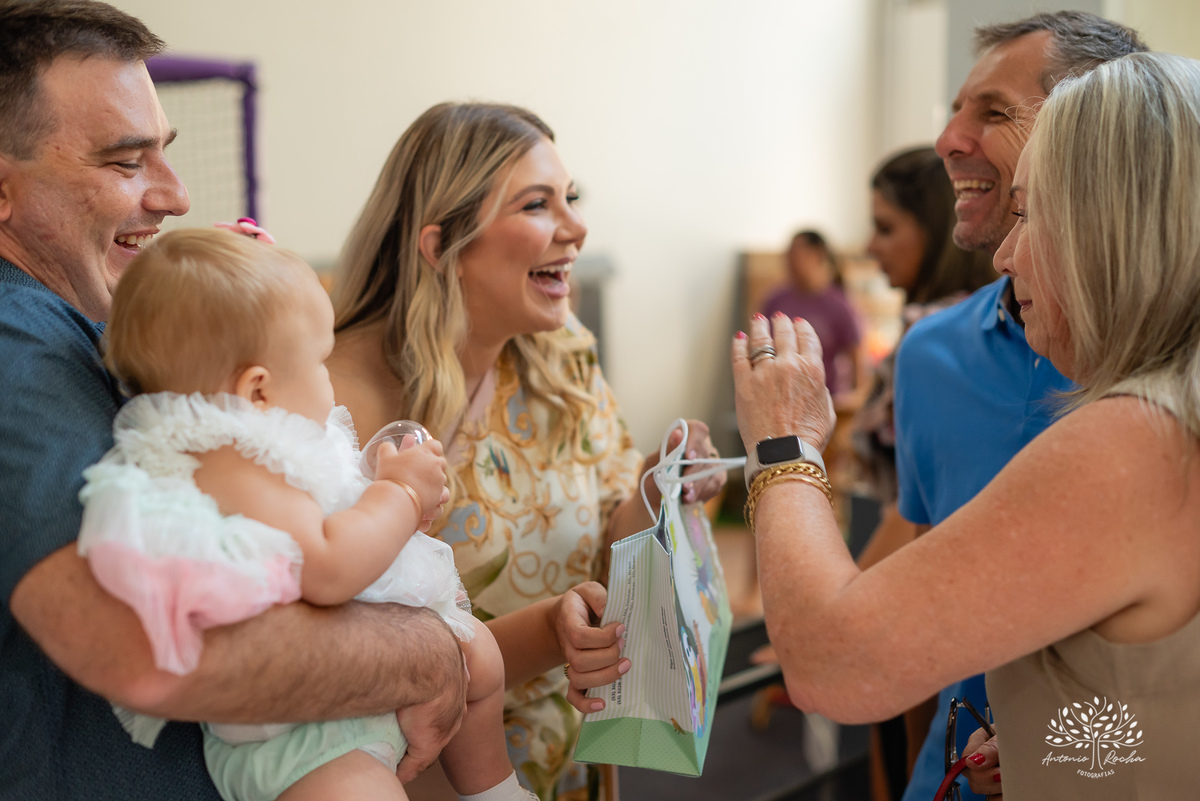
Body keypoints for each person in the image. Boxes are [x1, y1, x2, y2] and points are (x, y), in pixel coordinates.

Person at [0, 2, 465, 796]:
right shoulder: (17, 339)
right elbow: (146, 656)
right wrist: (431, 653)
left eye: (165, 155)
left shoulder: (86, 326)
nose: (176, 195)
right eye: (124, 162)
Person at [734, 50, 1200, 798]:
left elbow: (833, 663)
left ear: (1116, 230)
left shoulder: (1139, 442)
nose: (1009, 254)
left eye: (1032, 214)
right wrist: (1048, 743)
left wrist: (782, 443)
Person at [327, 102, 725, 801]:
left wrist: (659, 490)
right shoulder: (341, 395)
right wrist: (550, 634)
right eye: (538, 204)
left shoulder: (561, 353)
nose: (575, 227)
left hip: (573, 763)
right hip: (426, 778)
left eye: (569, 199)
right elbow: (356, 661)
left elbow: (615, 551)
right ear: (439, 242)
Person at [78, 227, 541, 801]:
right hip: (309, 744)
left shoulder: (269, 443)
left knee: (481, 660)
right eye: (321, 361)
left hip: (353, 688)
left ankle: (494, 791)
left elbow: (323, 517)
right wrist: (399, 497)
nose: (330, 375)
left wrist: (379, 497)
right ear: (258, 391)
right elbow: (326, 566)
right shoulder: (224, 460)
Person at [886, 13, 1147, 801]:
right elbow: (915, 628)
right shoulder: (930, 355)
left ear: (1089, 133)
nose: (946, 139)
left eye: (993, 112)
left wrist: (1048, 752)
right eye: (956, 108)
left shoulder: (1172, 394)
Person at [852, 146, 996, 799]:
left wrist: (846, 611)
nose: (870, 246)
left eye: (886, 227)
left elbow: (911, 512)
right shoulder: (977, 326)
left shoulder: (931, 336)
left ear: (936, 227)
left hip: (912, 595)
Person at [761, 230, 867, 408]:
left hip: (826, 403)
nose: (789, 260)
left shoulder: (839, 305)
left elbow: (857, 359)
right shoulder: (774, 300)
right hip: (781, 400)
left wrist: (854, 402)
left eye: (796, 253)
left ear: (817, 255)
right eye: (788, 254)